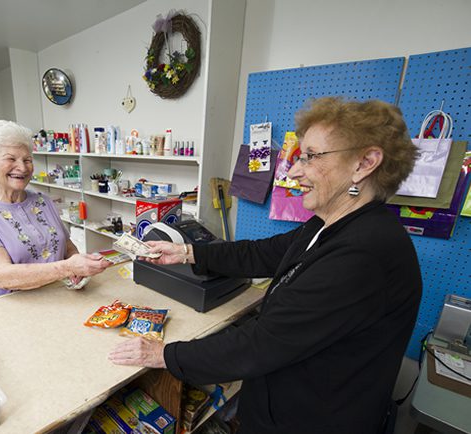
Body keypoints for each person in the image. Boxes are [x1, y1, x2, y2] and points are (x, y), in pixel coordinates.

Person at [109, 97, 422, 434]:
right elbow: (263, 254)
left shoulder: (366, 254)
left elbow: (261, 343)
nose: (295, 170)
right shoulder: (327, 224)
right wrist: (187, 252)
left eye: (311, 156)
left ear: (365, 162)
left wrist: (164, 355)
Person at [0, 120, 111, 302]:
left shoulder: (42, 200)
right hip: (2, 308)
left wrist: (77, 264)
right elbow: (0, 275)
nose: (22, 168)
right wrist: (68, 267)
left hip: (54, 299)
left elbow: (66, 245)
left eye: (27, 160)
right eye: (11, 159)